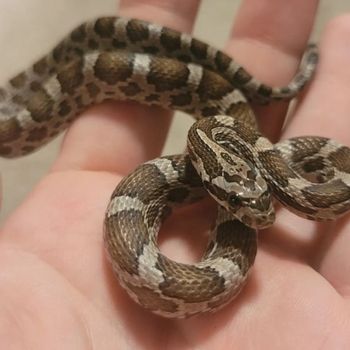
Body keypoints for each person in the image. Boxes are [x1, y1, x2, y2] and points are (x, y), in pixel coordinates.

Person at [1, 0, 350, 348]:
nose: (262, 213)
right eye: (234, 201)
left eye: (258, 197)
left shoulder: (239, 149)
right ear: (209, 176)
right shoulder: (214, 149)